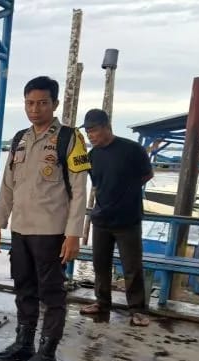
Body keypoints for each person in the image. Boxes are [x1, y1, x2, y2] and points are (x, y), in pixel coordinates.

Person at [0, 76, 90, 361]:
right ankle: (24, 344)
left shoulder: (69, 139)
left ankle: (47, 355)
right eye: (30, 103)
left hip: (51, 231)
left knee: (52, 294)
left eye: (42, 103)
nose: (35, 109)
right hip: (21, 230)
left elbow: (79, 188)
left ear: (54, 104)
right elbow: (7, 186)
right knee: (24, 289)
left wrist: (74, 233)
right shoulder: (20, 138)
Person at [77, 109, 154, 326]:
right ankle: (101, 303)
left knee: (132, 267)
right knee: (100, 265)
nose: (90, 135)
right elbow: (87, 179)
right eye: (88, 132)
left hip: (128, 220)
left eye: (93, 130)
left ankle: (137, 310)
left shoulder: (132, 149)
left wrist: (127, 192)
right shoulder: (92, 155)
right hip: (101, 219)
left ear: (106, 126)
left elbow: (147, 174)